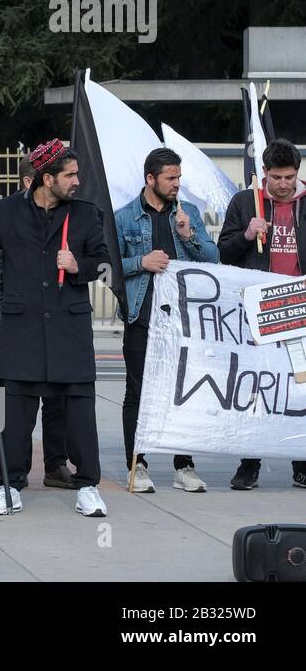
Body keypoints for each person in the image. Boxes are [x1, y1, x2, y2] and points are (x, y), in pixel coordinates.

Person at [0, 139, 110, 517]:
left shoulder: (86, 214)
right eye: (70, 175)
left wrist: (79, 265)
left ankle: (88, 487)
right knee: (15, 417)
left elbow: (104, 265)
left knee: (80, 416)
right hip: (23, 332)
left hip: (70, 331)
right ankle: (8, 486)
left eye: (77, 174)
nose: (77, 181)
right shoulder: (5, 211)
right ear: (45, 178)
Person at [115, 147, 219, 493]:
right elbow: (108, 266)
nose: (177, 184)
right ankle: (137, 464)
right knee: (138, 391)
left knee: (182, 392)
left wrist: (188, 235)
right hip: (142, 316)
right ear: (150, 179)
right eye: (170, 178)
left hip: (181, 319)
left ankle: (184, 465)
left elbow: (213, 259)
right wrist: (140, 262)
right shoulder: (125, 217)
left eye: (179, 177)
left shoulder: (187, 213)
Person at [216, 137, 306, 490]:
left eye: (290, 177)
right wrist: (246, 234)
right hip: (258, 311)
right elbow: (223, 253)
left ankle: (301, 461)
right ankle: (249, 462)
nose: (284, 185)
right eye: (277, 177)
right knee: (256, 388)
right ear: (264, 172)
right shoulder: (244, 202)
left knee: (301, 389)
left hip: (299, 311)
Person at [0, 156, 74, 489]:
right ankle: (10, 472)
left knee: (57, 400)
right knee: (14, 406)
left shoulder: (63, 217)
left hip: (55, 328)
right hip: (17, 328)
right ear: (29, 181)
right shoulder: (8, 217)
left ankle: (56, 463)